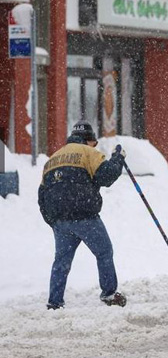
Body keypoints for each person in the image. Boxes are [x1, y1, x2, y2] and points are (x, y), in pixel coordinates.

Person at [38, 120, 127, 310]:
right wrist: (118, 158)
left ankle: (54, 302)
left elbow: (42, 196)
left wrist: (53, 221)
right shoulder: (88, 152)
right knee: (104, 252)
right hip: (85, 216)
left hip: (60, 222)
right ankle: (109, 294)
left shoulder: (52, 159)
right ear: (89, 141)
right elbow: (107, 176)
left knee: (61, 262)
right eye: (94, 143)